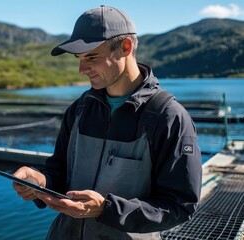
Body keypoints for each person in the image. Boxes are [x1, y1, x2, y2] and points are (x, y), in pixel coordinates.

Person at [12, 5, 202, 240]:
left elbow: (180, 207)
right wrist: (39, 181)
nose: (82, 69)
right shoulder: (80, 109)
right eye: (79, 59)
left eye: (91, 57)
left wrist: (106, 209)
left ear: (125, 47)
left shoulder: (169, 117)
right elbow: (59, 171)